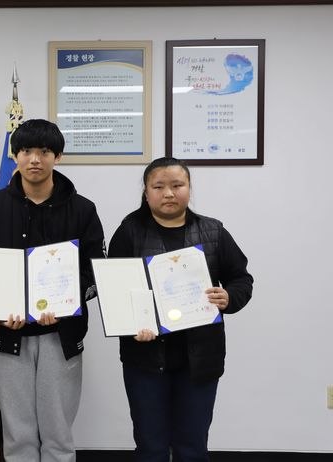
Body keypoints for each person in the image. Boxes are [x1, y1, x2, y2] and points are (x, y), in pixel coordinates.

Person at [0, 119, 106, 462]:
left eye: (44, 151)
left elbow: (96, 271)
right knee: (18, 435)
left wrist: (68, 302)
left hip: (62, 335)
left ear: (58, 156)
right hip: (8, 337)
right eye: (26, 150)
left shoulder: (83, 209)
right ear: (15, 156)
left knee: (58, 434)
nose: (35, 159)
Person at [108, 156, 254, 462]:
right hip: (145, 357)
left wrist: (229, 296)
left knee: (193, 445)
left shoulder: (213, 231)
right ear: (146, 192)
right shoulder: (129, 232)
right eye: (158, 186)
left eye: (177, 185)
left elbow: (241, 278)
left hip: (200, 358)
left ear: (189, 188)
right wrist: (132, 326)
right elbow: (115, 292)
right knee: (151, 445)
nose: (169, 193)